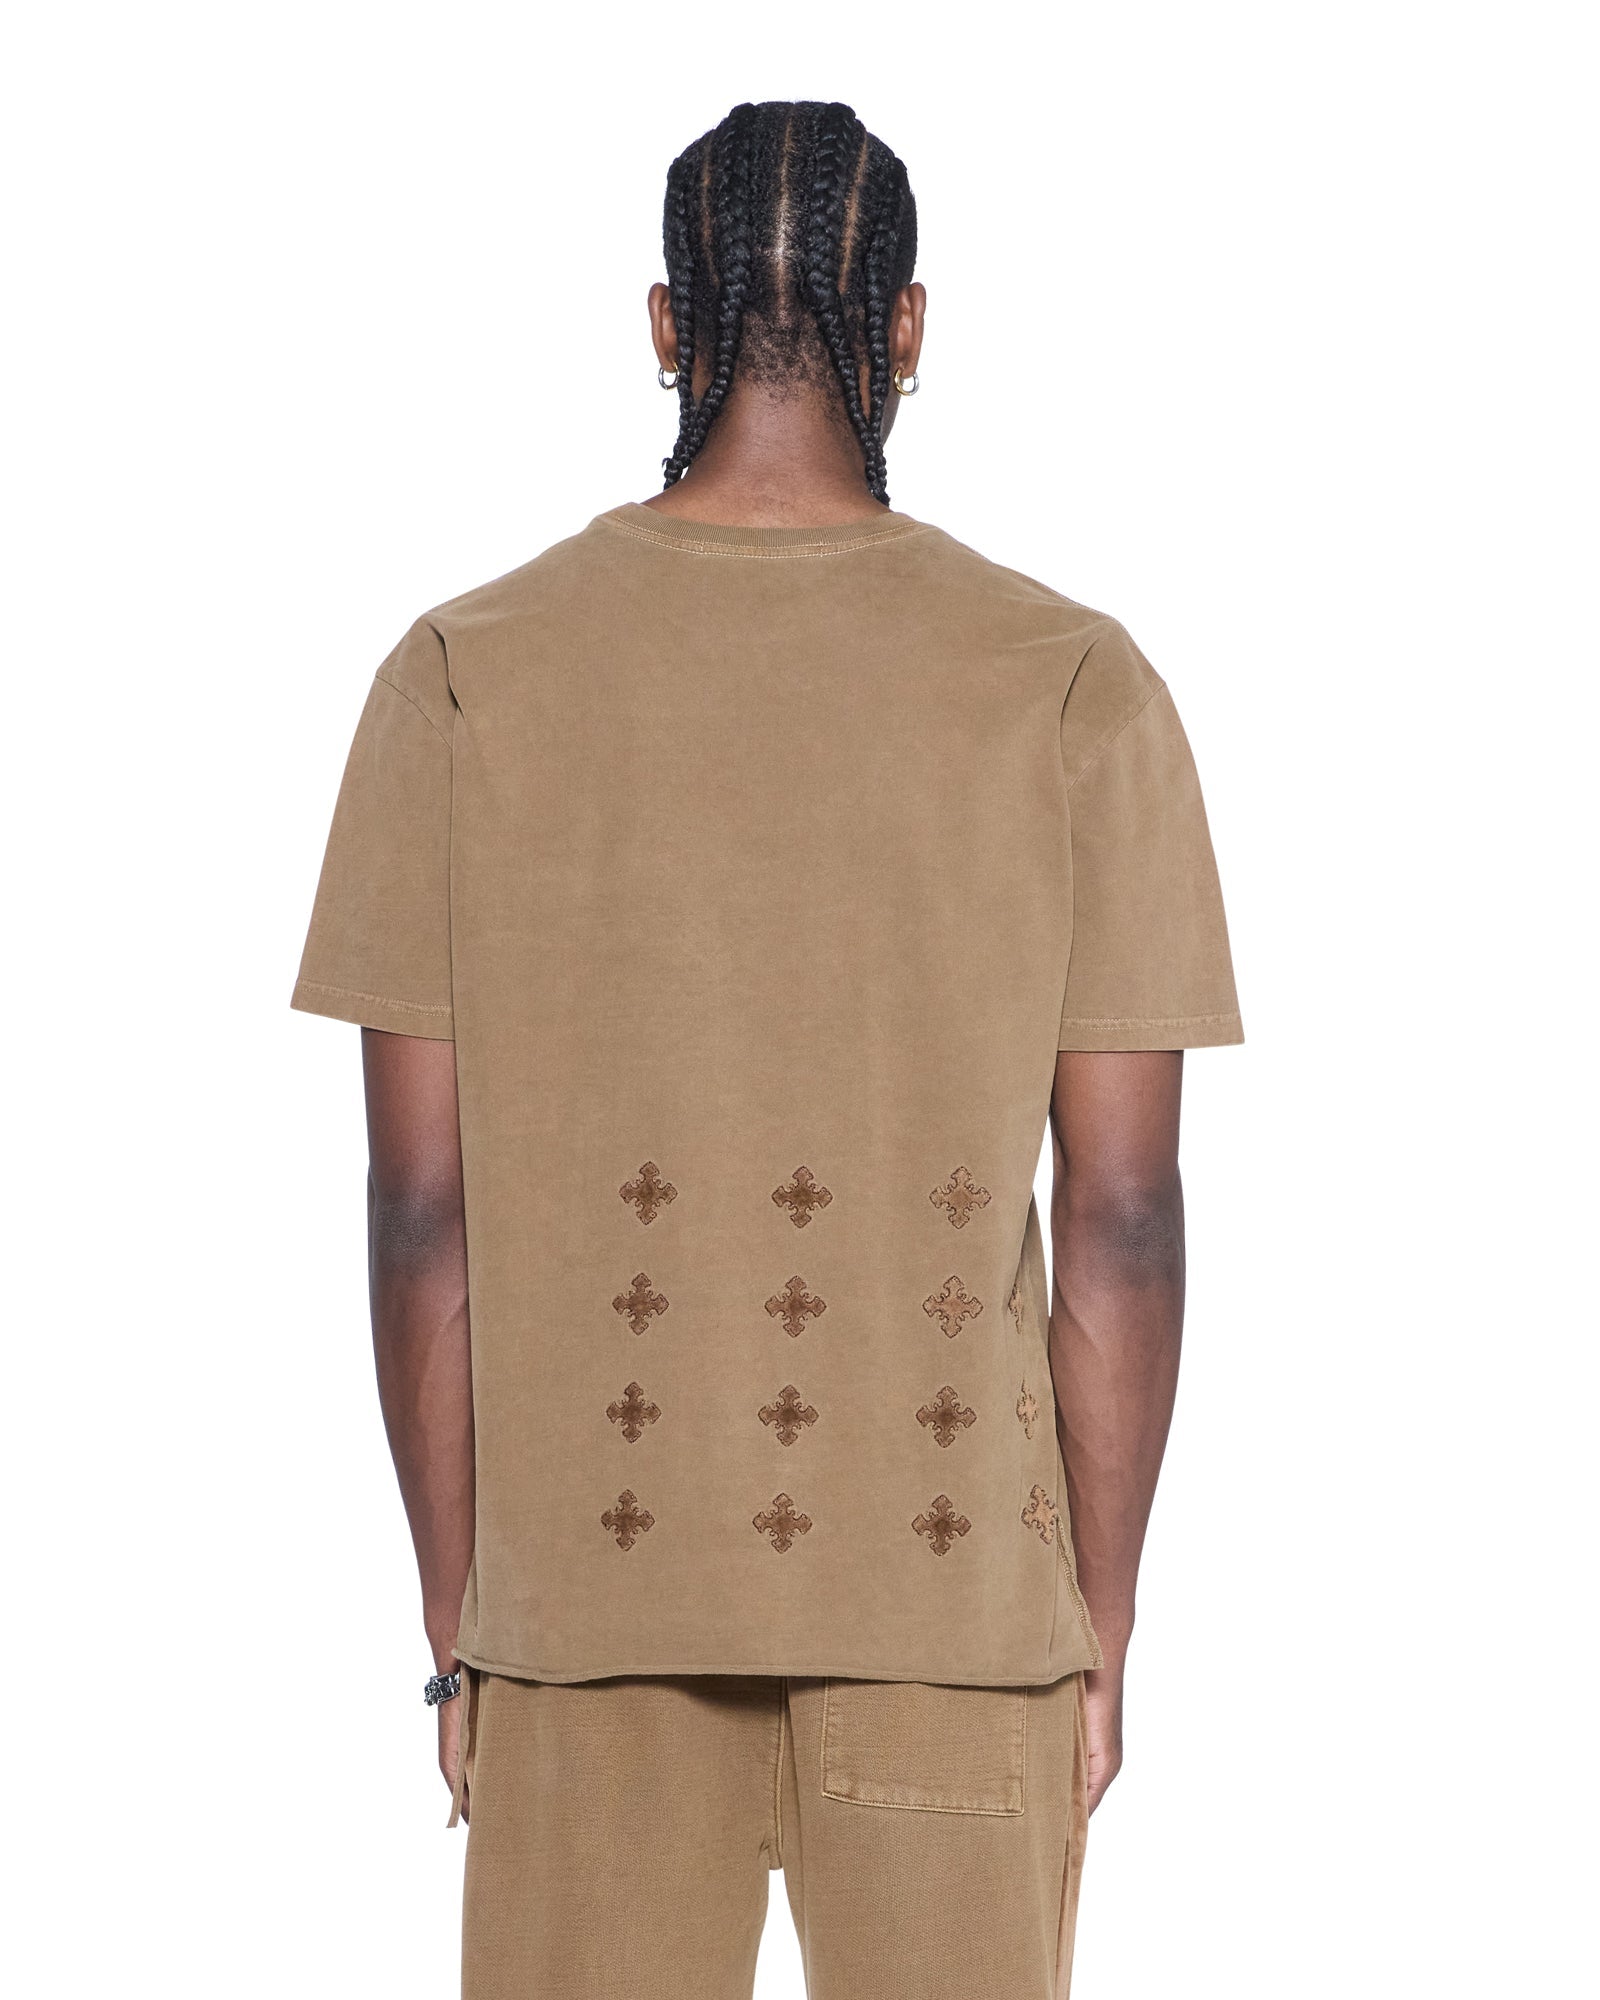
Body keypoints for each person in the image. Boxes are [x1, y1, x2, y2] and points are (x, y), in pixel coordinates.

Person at [292, 98, 1241, 2000]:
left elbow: (420, 1213)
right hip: (960, 1624)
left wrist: (464, 1625)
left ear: (667, 324)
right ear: (911, 327)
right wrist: (1102, 1626)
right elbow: (1123, 1220)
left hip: (584, 1628)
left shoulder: (466, 674)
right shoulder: (1071, 687)